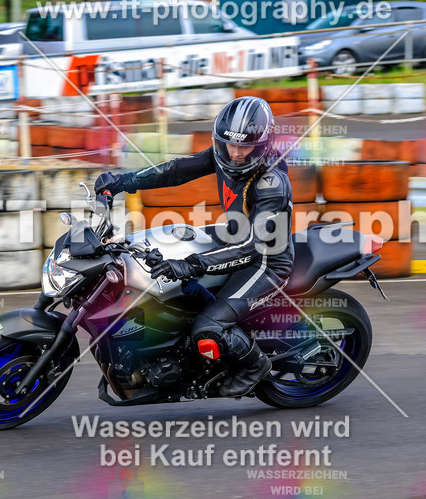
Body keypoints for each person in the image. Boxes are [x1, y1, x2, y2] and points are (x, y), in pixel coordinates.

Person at [95, 96, 293, 397]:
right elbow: (176, 170)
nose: (236, 154)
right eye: (230, 145)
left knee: (208, 325)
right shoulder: (224, 154)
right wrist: (123, 182)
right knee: (159, 268)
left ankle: (255, 366)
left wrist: (190, 264)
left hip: (265, 261)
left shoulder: (271, 183)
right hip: (232, 236)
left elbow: (254, 247)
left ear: (263, 145)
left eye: (245, 146)